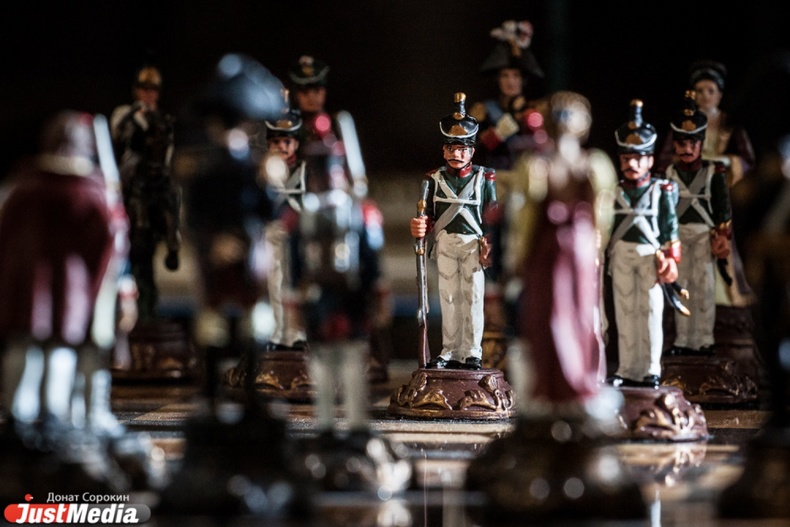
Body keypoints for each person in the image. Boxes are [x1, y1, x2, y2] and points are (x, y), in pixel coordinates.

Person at [0, 111, 126, 435]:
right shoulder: (90, 191)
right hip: (71, 288)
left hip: (29, 285)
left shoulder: (23, 187)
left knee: (26, 348)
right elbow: (108, 243)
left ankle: (19, 418)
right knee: (58, 350)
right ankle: (52, 420)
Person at [515, 91, 615, 403]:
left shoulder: (589, 165)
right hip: (555, 249)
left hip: (574, 250)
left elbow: (601, 217)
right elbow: (528, 217)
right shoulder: (539, 165)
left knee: (578, 314)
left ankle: (577, 383)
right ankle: (555, 385)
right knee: (550, 314)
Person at [410, 92, 498, 371]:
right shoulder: (433, 179)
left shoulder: (484, 178)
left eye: (462, 149)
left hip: (473, 245)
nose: (456, 154)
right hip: (446, 244)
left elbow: (492, 215)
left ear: (472, 151)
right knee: (448, 298)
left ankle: (472, 352)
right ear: (443, 151)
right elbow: (427, 215)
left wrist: (490, 243)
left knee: (472, 297)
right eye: (451, 148)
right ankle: (449, 350)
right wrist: (420, 226)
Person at [607, 100, 680, 388]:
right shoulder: (612, 191)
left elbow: (670, 226)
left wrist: (671, 258)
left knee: (650, 311)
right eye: (627, 158)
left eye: (639, 158)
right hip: (621, 255)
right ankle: (627, 369)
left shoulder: (661, 190)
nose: (632, 164)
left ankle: (651, 369)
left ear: (650, 160)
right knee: (625, 313)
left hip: (651, 256)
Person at [662, 91, 731, 357]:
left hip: (704, 237)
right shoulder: (669, 174)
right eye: (682, 143)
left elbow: (723, 209)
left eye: (693, 143)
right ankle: (683, 339)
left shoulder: (714, 173)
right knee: (682, 288)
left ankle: (704, 339)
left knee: (704, 289)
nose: (687, 149)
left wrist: (722, 236)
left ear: (702, 143)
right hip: (677, 237)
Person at [261, 90, 308, 352]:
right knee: (275, 283)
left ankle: (297, 333)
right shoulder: (266, 170)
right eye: (276, 141)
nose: (282, 147)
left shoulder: (305, 170)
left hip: (299, 235)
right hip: (274, 234)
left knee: (298, 285)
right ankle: (278, 333)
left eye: (287, 141)